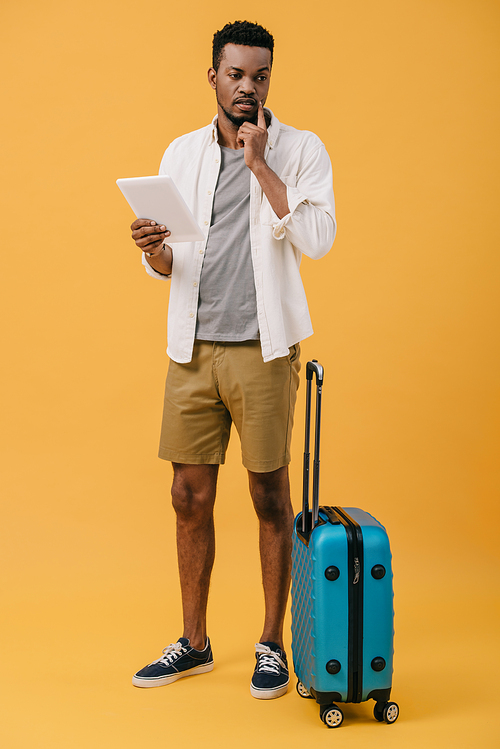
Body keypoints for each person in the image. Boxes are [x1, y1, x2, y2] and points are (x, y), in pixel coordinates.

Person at [130, 20, 336, 700]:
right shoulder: (181, 153)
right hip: (191, 349)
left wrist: (261, 166)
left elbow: (316, 237)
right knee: (187, 496)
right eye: (237, 74)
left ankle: (272, 644)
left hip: (262, 350)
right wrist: (152, 248)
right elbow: (170, 262)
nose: (249, 88)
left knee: (269, 496)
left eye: (261, 76)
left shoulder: (300, 150)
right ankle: (194, 642)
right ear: (213, 77)